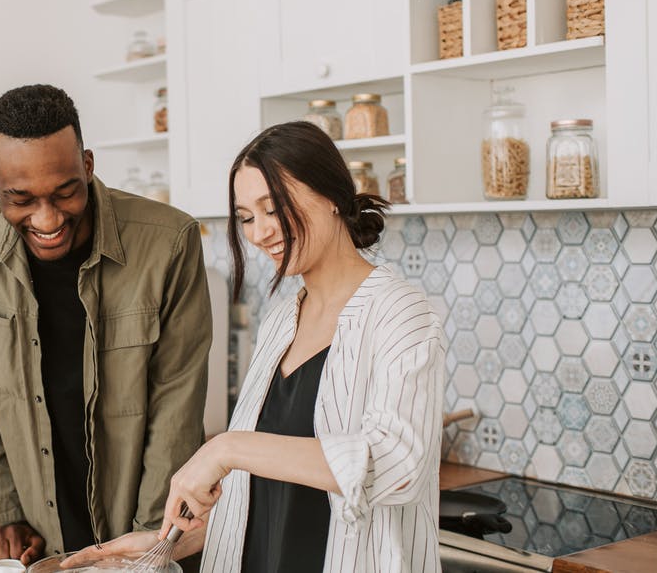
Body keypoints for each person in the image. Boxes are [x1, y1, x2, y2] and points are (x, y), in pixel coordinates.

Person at [64, 121, 445, 572]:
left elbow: (397, 467)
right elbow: (263, 495)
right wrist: (163, 546)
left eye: (274, 207)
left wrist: (225, 449)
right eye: (247, 217)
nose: (261, 232)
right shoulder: (282, 319)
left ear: (332, 197)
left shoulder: (401, 313)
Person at [0, 84, 212, 564]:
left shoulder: (170, 243)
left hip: (146, 538)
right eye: (20, 199)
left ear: (88, 166)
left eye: (66, 192)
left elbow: (177, 405)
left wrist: (147, 547)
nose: (47, 218)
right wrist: (6, 510)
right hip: (40, 539)